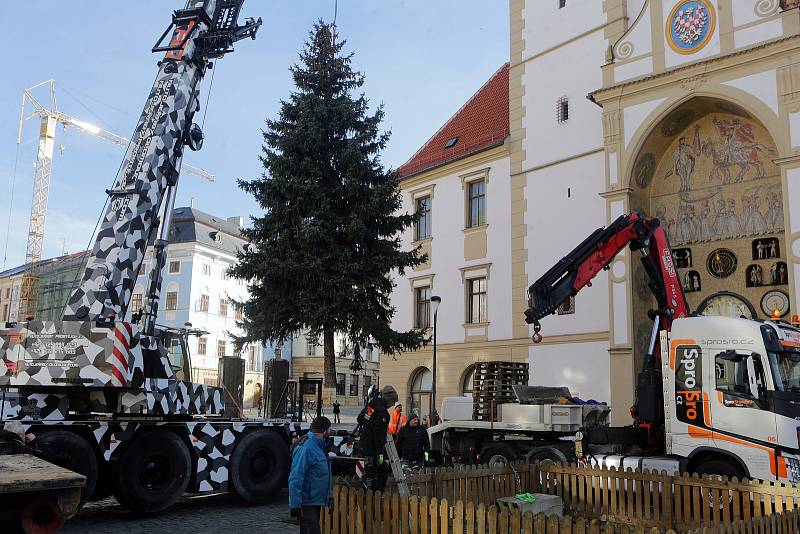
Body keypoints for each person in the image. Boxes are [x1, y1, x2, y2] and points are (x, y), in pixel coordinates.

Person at [289, 416, 333, 534]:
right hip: (307, 502)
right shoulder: (307, 448)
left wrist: (329, 497)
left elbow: (322, 475)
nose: (330, 432)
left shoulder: (319, 446)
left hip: (315, 501)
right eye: (329, 429)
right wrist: (295, 504)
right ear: (324, 431)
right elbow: (296, 477)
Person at [356, 385, 396, 492]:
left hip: (363, 445)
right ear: (389, 400)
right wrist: (381, 455)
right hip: (374, 449)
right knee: (380, 471)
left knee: (363, 472)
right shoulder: (383, 413)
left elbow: (360, 419)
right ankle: (374, 495)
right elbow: (379, 436)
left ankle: (363, 489)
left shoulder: (371, 406)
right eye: (392, 403)